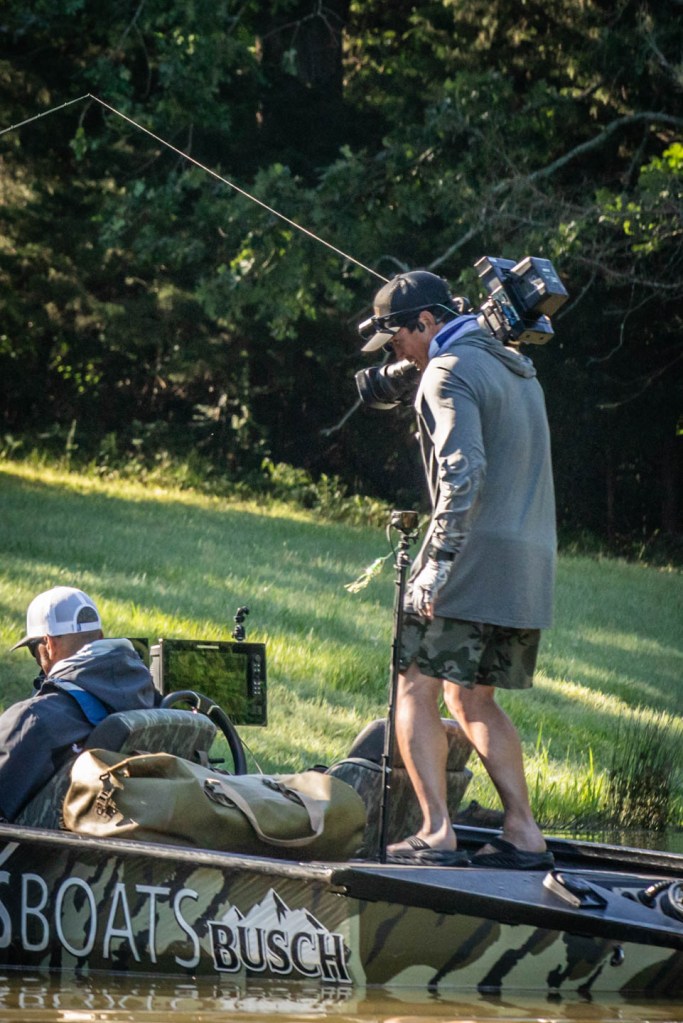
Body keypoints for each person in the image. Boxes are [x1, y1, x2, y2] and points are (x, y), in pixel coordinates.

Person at [359, 270, 556, 869]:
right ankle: (524, 833)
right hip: (528, 562)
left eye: (397, 339)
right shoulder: (516, 366)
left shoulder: (446, 371)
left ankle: (436, 833)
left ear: (426, 323)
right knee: (472, 699)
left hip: (469, 554)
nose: (396, 355)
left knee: (413, 686)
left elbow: (462, 470)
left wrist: (436, 565)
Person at [1, 585, 157, 821]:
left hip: (43, 845)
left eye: (34, 651)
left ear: (49, 645)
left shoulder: (34, 718)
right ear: (100, 637)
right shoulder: (152, 702)